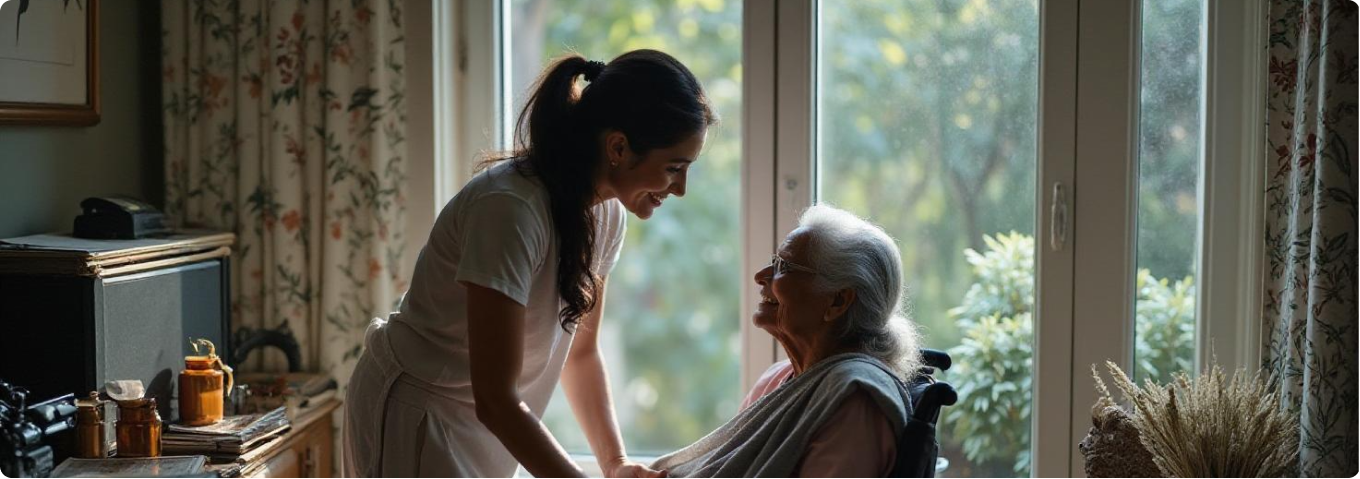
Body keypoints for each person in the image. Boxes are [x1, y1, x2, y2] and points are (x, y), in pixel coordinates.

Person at [343, 49, 716, 478]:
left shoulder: (606, 213)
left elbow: (581, 354)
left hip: (485, 422)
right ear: (618, 146)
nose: (681, 189)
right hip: (419, 413)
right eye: (674, 168)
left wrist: (614, 464)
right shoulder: (509, 209)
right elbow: (496, 400)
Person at [651, 205, 923, 478]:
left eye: (784, 266)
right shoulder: (776, 379)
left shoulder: (854, 401)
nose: (761, 275)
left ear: (837, 301)